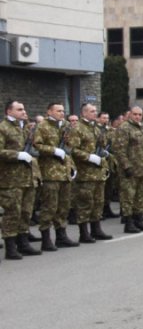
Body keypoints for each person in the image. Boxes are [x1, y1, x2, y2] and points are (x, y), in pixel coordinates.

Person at [65, 103, 113, 243]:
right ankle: (84, 233)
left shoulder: (95, 128)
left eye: (95, 111)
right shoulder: (77, 128)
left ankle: (96, 229)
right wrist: (89, 157)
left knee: (98, 202)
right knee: (85, 203)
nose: (95, 113)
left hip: (98, 172)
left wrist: (102, 155)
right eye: (92, 111)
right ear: (84, 113)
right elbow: (73, 150)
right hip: (85, 173)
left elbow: (101, 145)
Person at [33, 102, 76, 249]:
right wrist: (53, 150)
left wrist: (71, 166)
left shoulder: (65, 126)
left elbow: (71, 145)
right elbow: (36, 145)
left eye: (63, 111)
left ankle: (61, 236)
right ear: (49, 111)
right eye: (58, 111)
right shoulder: (42, 126)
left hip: (64, 172)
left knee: (63, 206)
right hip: (50, 173)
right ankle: (46, 238)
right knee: (49, 207)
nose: (62, 113)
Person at [1, 100, 40, 259]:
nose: (24, 112)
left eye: (24, 109)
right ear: (9, 111)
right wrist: (16, 154)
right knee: (12, 213)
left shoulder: (24, 128)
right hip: (10, 179)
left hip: (27, 177)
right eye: (20, 109)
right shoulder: (3, 128)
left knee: (26, 212)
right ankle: (10, 247)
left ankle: (23, 243)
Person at [112, 106, 143, 234]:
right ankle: (128, 223)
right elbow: (119, 149)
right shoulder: (124, 128)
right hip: (131, 170)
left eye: (140, 114)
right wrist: (126, 166)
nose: (137, 117)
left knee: (141, 197)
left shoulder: (142, 128)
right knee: (128, 197)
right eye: (135, 114)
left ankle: (138, 220)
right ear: (130, 114)